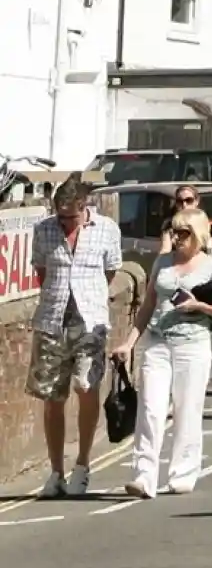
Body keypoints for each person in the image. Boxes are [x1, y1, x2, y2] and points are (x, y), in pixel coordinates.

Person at [126, 217, 212, 498]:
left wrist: (199, 305)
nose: (177, 238)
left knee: (187, 409)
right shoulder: (162, 262)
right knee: (151, 409)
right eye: (173, 232)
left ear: (198, 234)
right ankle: (143, 476)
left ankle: (183, 474)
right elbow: (149, 304)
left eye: (183, 233)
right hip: (157, 343)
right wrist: (128, 343)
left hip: (193, 346)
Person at [25, 178, 123, 499]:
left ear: (84, 207)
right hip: (52, 321)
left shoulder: (107, 229)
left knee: (86, 386)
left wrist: (89, 296)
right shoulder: (44, 230)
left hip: (91, 319)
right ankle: (56, 472)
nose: (64, 222)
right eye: (60, 216)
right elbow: (42, 272)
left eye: (70, 217)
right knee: (53, 398)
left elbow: (111, 272)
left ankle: (82, 463)